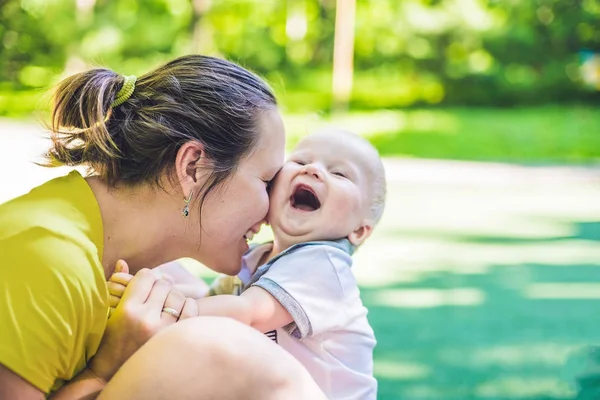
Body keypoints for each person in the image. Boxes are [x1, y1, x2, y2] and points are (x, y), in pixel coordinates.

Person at [0, 54, 326, 399]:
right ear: (192, 167)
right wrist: (107, 368)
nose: (272, 209)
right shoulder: (44, 259)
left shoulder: (126, 265)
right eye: (266, 182)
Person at [110, 129, 387, 399]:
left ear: (360, 231)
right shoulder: (257, 259)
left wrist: (160, 307)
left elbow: (247, 312)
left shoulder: (324, 265)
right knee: (169, 276)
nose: (312, 170)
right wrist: (154, 287)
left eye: (339, 174)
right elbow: (211, 302)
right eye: (300, 161)